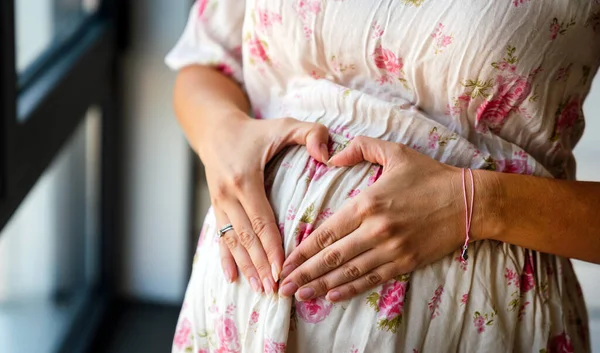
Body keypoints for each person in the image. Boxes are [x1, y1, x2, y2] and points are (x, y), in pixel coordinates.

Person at [166, 1, 600, 352]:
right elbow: (205, 64)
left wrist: (479, 203)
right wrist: (222, 132)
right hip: (236, 320)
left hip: (472, 327)